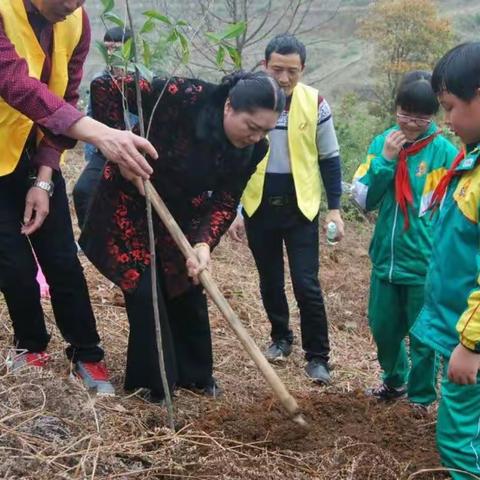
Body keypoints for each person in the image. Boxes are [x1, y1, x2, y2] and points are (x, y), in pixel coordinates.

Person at [79, 71, 285, 401]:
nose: (256, 137)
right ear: (229, 106)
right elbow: (105, 86)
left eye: (265, 130)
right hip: (130, 200)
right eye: (251, 126)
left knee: (187, 285)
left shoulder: (253, 149)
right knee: (146, 290)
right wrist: (119, 151)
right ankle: (154, 385)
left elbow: (226, 199)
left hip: (182, 214)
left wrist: (203, 243)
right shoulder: (183, 95)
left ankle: (194, 376)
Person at [0, 0, 157, 394]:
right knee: (12, 264)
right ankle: (30, 345)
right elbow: (15, 84)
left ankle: (87, 354)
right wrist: (99, 133)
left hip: (33, 156)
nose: (72, 5)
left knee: (62, 259)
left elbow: (65, 96)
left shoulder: (76, 22)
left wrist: (45, 177)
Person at [228, 34, 343, 385]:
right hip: (258, 202)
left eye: (292, 71)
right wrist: (234, 209)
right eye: (277, 69)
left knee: (306, 283)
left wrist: (334, 208)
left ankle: (318, 356)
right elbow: (232, 158)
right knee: (270, 280)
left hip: (301, 205)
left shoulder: (315, 103)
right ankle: (280, 338)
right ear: (265, 65)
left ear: (302, 70)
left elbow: (330, 157)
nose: (284, 78)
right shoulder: (249, 99)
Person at [352, 71, 458, 411]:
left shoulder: (443, 152)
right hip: (385, 258)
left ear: (434, 116)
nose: (411, 122)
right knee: (382, 327)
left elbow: (445, 208)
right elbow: (364, 198)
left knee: (423, 338)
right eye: (405, 113)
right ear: (396, 108)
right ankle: (394, 379)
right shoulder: (384, 142)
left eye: (421, 115)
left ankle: (421, 397)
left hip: (423, 263)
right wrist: (385, 160)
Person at [410, 42, 480, 478]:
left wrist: (471, 346)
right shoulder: (471, 160)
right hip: (461, 329)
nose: (447, 121)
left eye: (451, 107)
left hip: (471, 340)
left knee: (459, 441)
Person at [74, 26, 138, 228]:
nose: (111, 53)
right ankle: (90, 240)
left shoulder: (142, 79)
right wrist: (92, 153)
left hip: (136, 151)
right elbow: (92, 115)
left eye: (117, 48)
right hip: (105, 150)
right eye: (108, 48)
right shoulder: (99, 80)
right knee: (83, 191)